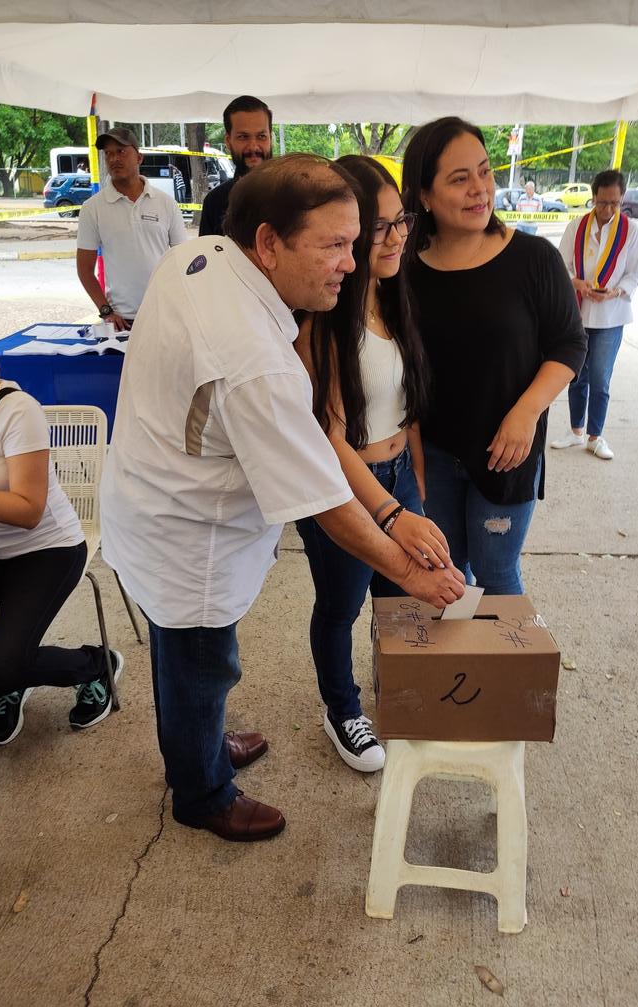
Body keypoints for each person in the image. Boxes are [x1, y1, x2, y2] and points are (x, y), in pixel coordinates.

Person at [100, 155, 465, 843]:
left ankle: (198, 743)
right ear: (267, 243)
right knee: (203, 662)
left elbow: (317, 440)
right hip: (186, 537)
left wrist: (393, 512)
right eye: (332, 245)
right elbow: (322, 498)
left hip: (155, 501)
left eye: (354, 242)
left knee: (188, 661)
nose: (352, 264)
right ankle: (202, 791)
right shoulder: (253, 360)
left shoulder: (205, 254)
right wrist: (406, 567)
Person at [294, 155, 449, 773]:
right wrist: (389, 515)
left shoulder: (395, 297)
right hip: (343, 487)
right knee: (340, 605)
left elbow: (408, 409)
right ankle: (343, 710)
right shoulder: (324, 317)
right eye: (379, 227)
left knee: (399, 598)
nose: (396, 238)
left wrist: (416, 491)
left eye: (400, 221)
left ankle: (402, 696)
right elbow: (326, 433)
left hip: (398, 477)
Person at [402, 117, 587, 595]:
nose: (480, 189)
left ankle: (504, 671)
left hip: (509, 453)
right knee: (444, 574)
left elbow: (569, 343)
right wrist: (414, 451)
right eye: (459, 179)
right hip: (436, 455)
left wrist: (527, 413)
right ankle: (453, 668)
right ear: (424, 195)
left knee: (497, 571)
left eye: (484, 172)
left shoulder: (533, 258)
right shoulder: (403, 271)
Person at [0, 312, 121, 746]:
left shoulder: (17, 411)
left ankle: (95, 665)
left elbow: (28, 510)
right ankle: (7, 678)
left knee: (3, 669)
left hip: (46, 550)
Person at [551, 169, 638, 460]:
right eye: (602, 203)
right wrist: (576, 283)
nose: (607, 209)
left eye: (614, 203)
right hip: (578, 313)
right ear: (593, 198)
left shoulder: (631, 231)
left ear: (621, 199)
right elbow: (560, 265)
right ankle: (575, 430)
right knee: (576, 375)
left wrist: (615, 292)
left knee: (601, 379)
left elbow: (635, 274)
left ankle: (595, 436)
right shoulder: (577, 226)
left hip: (610, 317)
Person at [76, 127, 187, 332]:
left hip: (164, 314)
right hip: (122, 321)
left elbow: (183, 260)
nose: (114, 159)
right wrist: (106, 311)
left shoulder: (166, 203)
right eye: (108, 153)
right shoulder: (92, 208)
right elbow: (84, 269)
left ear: (139, 157)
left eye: (121, 151)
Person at [199, 95, 273, 237]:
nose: (253, 147)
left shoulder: (294, 195)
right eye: (243, 137)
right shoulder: (214, 203)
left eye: (261, 136)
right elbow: (207, 258)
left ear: (270, 138)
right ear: (228, 141)